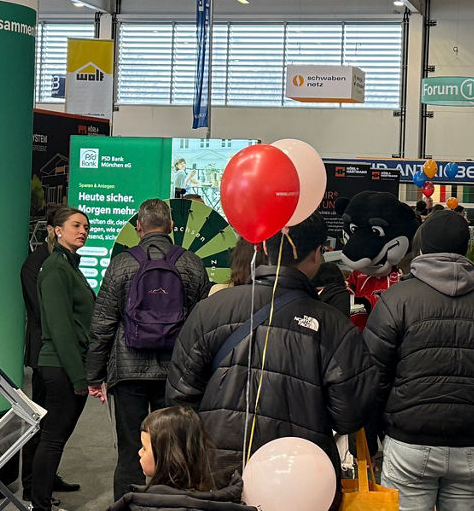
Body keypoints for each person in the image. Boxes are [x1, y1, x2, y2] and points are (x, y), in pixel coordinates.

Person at [167, 212, 376, 472]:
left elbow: (180, 395)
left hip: (217, 469)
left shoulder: (209, 309)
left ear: (263, 248)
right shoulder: (335, 326)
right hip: (302, 473)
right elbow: (350, 414)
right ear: (316, 255)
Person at [364, 213, 474, 511]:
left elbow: (374, 376)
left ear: (421, 250)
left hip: (408, 441)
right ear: (467, 249)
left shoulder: (396, 299)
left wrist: (371, 441)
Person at [88, 199, 212, 499]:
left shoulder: (122, 263)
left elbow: (103, 322)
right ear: (171, 226)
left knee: (132, 449)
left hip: (128, 371)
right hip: (174, 373)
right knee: (173, 451)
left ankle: (126, 506)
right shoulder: (191, 263)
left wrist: (94, 374)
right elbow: (202, 325)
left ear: (138, 227)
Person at [30, 207, 95, 509]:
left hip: (67, 363)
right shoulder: (56, 268)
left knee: (56, 437)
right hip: (60, 365)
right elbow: (59, 328)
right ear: (57, 230)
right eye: (76, 225)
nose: (83, 230)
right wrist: (79, 376)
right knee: (53, 438)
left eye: (86, 227)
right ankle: (40, 504)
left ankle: (41, 499)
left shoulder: (69, 266)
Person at [108, 406, 255, 511]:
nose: (140, 452)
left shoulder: (135, 505)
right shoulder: (227, 500)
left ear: (168, 456)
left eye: (145, 448)